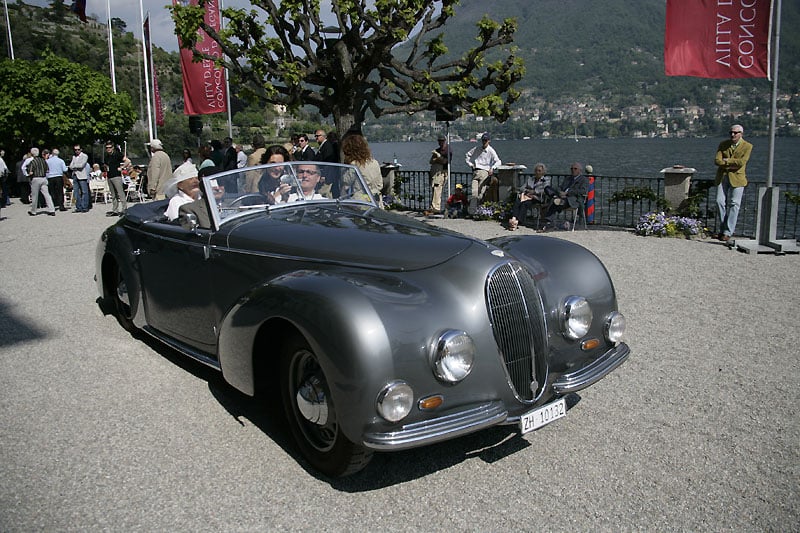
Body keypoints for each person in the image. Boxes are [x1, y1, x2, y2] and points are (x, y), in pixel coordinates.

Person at [714, 124, 752, 242]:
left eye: (735, 133)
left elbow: (742, 162)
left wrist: (727, 161)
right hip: (723, 176)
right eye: (731, 132)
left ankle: (727, 232)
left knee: (734, 204)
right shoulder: (723, 145)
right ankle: (723, 228)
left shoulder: (747, 146)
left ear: (741, 133)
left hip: (738, 178)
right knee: (719, 201)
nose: (733, 135)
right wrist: (730, 163)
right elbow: (717, 160)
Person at [540, 162, 588, 231]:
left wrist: (567, 193)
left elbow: (582, 191)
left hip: (572, 199)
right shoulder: (568, 179)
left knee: (553, 202)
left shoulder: (584, 180)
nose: (573, 170)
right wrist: (560, 192)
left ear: (580, 170)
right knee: (547, 188)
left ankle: (549, 222)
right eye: (571, 169)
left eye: (575, 169)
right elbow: (560, 187)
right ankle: (556, 198)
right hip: (561, 196)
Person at [340, 131, 382, 203]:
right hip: (376, 199)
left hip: (361, 201)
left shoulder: (354, 165)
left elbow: (346, 183)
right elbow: (380, 184)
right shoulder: (374, 162)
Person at [508, 162, 551, 230]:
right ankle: (514, 218)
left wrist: (534, 192)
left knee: (525, 203)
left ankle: (518, 221)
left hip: (537, 198)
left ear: (543, 172)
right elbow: (522, 188)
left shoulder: (546, 180)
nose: (537, 172)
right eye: (536, 170)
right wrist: (527, 191)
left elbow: (546, 190)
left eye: (539, 171)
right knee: (517, 202)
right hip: (527, 196)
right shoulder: (530, 179)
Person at [465, 133, 501, 214]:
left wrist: (492, 168)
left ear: (489, 141)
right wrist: (471, 164)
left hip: (485, 172)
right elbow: (467, 155)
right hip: (476, 171)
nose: (484, 142)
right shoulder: (477, 148)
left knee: (481, 193)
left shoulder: (491, 150)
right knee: (474, 193)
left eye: (486, 140)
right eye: (483, 140)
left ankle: (479, 211)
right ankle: (472, 212)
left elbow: (498, 161)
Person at [424, 135, 452, 216]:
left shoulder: (448, 150)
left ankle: (435, 208)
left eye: (442, 141)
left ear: (445, 141)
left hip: (441, 173)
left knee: (437, 188)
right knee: (435, 189)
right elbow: (431, 161)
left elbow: (445, 161)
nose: (440, 142)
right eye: (439, 141)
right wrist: (437, 158)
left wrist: (437, 158)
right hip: (434, 173)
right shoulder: (437, 150)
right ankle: (434, 206)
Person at [27, 148, 56, 216]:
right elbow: (47, 170)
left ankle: (33, 211)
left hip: (36, 178)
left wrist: (28, 175)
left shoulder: (32, 162)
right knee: (47, 195)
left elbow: (30, 172)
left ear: (32, 154)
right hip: (43, 178)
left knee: (35, 195)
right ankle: (52, 209)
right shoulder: (43, 161)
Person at [104, 142, 127, 216]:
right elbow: (106, 165)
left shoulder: (117, 154)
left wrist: (122, 168)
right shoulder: (106, 156)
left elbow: (127, 161)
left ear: (113, 147)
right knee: (113, 194)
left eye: (110, 147)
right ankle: (115, 210)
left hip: (117, 176)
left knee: (120, 193)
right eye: (107, 148)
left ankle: (124, 209)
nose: (108, 149)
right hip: (109, 176)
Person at [69, 145, 91, 213]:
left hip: (82, 176)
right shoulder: (74, 157)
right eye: (75, 150)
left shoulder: (84, 156)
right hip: (75, 175)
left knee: (84, 192)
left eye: (78, 149)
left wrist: (74, 166)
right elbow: (70, 166)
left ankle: (85, 207)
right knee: (76, 192)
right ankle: (78, 206)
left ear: (81, 149)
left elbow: (82, 165)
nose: (77, 151)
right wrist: (75, 167)